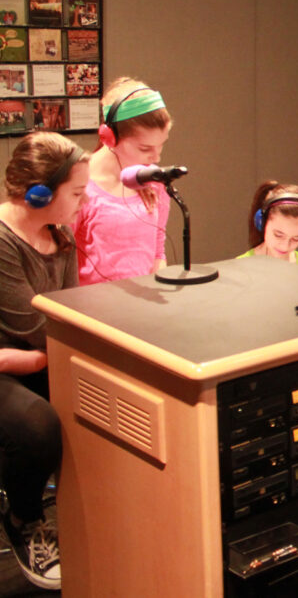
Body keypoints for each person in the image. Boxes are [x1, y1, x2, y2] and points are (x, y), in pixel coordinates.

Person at [0, 132, 89, 590]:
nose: (83, 202)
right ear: (38, 194)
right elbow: (35, 324)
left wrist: (39, 359)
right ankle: (24, 518)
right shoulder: (2, 241)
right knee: (37, 427)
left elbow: (66, 314)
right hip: (9, 364)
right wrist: (38, 358)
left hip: (35, 357)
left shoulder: (61, 235)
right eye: (76, 193)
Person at [72, 78, 172, 285]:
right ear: (109, 137)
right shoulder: (79, 185)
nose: (156, 158)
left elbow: (157, 253)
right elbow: (61, 264)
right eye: (145, 148)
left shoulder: (155, 182)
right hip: (91, 302)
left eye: (161, 145)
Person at [237, 181, 298, 268]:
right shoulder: (240, 267)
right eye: (278, 235)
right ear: (262, 223)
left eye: (296, 239)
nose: (285, 246)